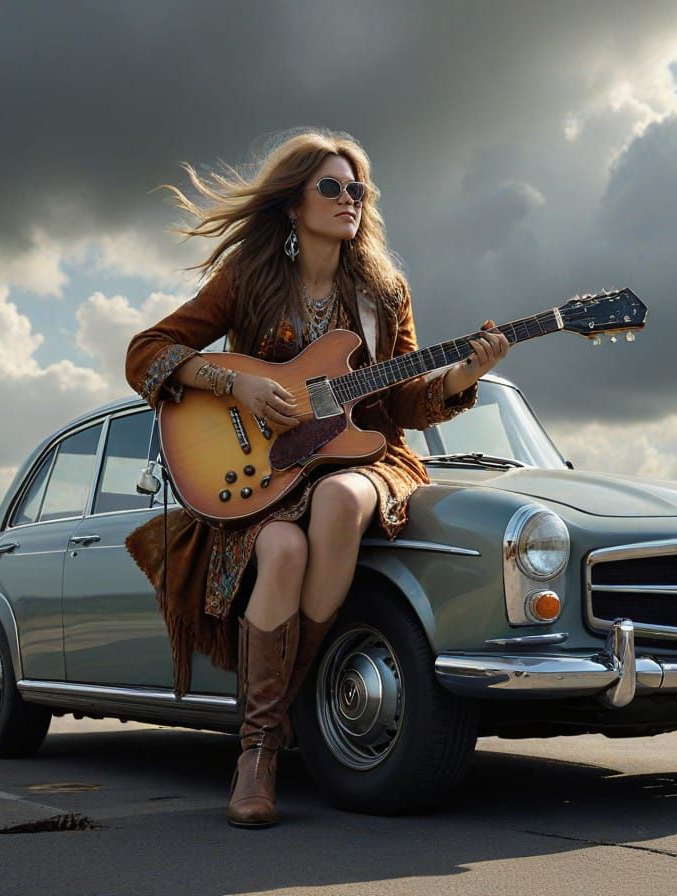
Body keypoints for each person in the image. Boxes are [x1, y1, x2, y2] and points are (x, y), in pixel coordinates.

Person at [123, 129, 508, 828]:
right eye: (332, 187)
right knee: (282, 549)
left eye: (358, 189)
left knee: (336, 500)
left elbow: (403, 400)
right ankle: (262, 752)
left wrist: (462, 376)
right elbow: (147, 350)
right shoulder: (248, 279)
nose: (349, 199)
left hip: (365, 461)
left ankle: (263, 741)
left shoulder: (385, 292)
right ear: (294, 203)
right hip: (267, 470)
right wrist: (229, 383)